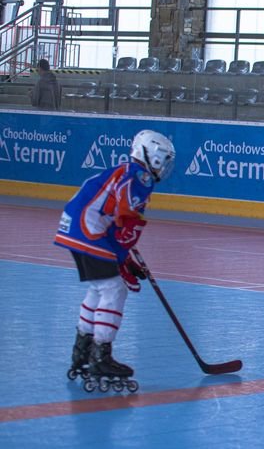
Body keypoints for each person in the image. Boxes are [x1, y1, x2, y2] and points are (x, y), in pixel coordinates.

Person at [55, 129, 175, 391]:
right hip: (88, 230)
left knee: (98, 288)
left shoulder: (125, 171)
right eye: (164, 159)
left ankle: (82, 351)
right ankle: (101, 356)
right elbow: (126, 218)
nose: (164, 166)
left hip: (74, 227)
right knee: (114, 288)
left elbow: (115, 221)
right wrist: (122, 255)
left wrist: (123, 258)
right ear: (152, 155)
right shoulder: (140, 177)